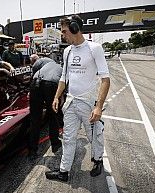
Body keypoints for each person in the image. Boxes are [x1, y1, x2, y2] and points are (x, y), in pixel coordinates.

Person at [45, 15, 110, 181]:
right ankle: (63, 172)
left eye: (65, 31)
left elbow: (105, 80)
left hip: (89, 103)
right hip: (71, 102)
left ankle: (98, 160)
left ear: (75, 28)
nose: (63, 35)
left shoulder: (94, 48)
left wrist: (98, 106)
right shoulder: (67, 51)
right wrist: (56, 97)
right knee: (68, 137)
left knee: (94, 136)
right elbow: (63, 78)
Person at [28, 59, 63, 158]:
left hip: (36, 83)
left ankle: (32, 151)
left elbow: (34, 71)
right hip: (52, 84)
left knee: (35, 119)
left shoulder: (44, 63)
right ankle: (55, 144)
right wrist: (60, 98)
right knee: (53, 116)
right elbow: (64, 85)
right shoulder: (61, 68)